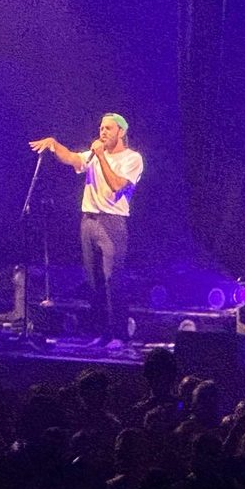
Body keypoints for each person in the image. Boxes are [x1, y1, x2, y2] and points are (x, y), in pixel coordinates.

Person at [29, 113, 144, 351]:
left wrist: (100, 156)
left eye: (108, 128)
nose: (103, 132)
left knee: (112, 280)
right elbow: (72, 158)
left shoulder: (132, 158)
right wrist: (54, 144)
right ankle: (103, 332)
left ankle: (120, 335)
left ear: (121, 132)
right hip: (88, 221)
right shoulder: (91, 156)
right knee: (94, 281)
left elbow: (117, 185)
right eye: (101, 128)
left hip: (112, 222)